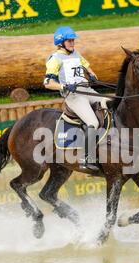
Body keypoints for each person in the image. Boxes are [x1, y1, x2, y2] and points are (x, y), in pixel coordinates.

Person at [43, 26, 107, 171]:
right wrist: (64, 87)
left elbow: (87, 67)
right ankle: (87, 158)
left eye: (73, 40)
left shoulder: (76, 54)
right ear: (61, 43)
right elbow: (47, 83)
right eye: (69, 41)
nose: (72, 43)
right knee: (92, 122)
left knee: (108, 103)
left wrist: (91, 75)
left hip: (87, 90)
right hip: (73, 96)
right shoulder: (55, 59)